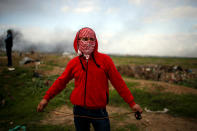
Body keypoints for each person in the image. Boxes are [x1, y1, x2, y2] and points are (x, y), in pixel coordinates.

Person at [37, 27, 143, 131]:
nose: (89, 42)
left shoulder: (105, 60)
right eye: (85, 39)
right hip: (79, 110)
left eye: (92, 39)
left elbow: (118, 82)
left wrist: (132, 103)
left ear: (95, 42)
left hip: (99, 111)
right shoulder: (73, 63)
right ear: (78, 41)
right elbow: (61, 81)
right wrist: (46, 98)